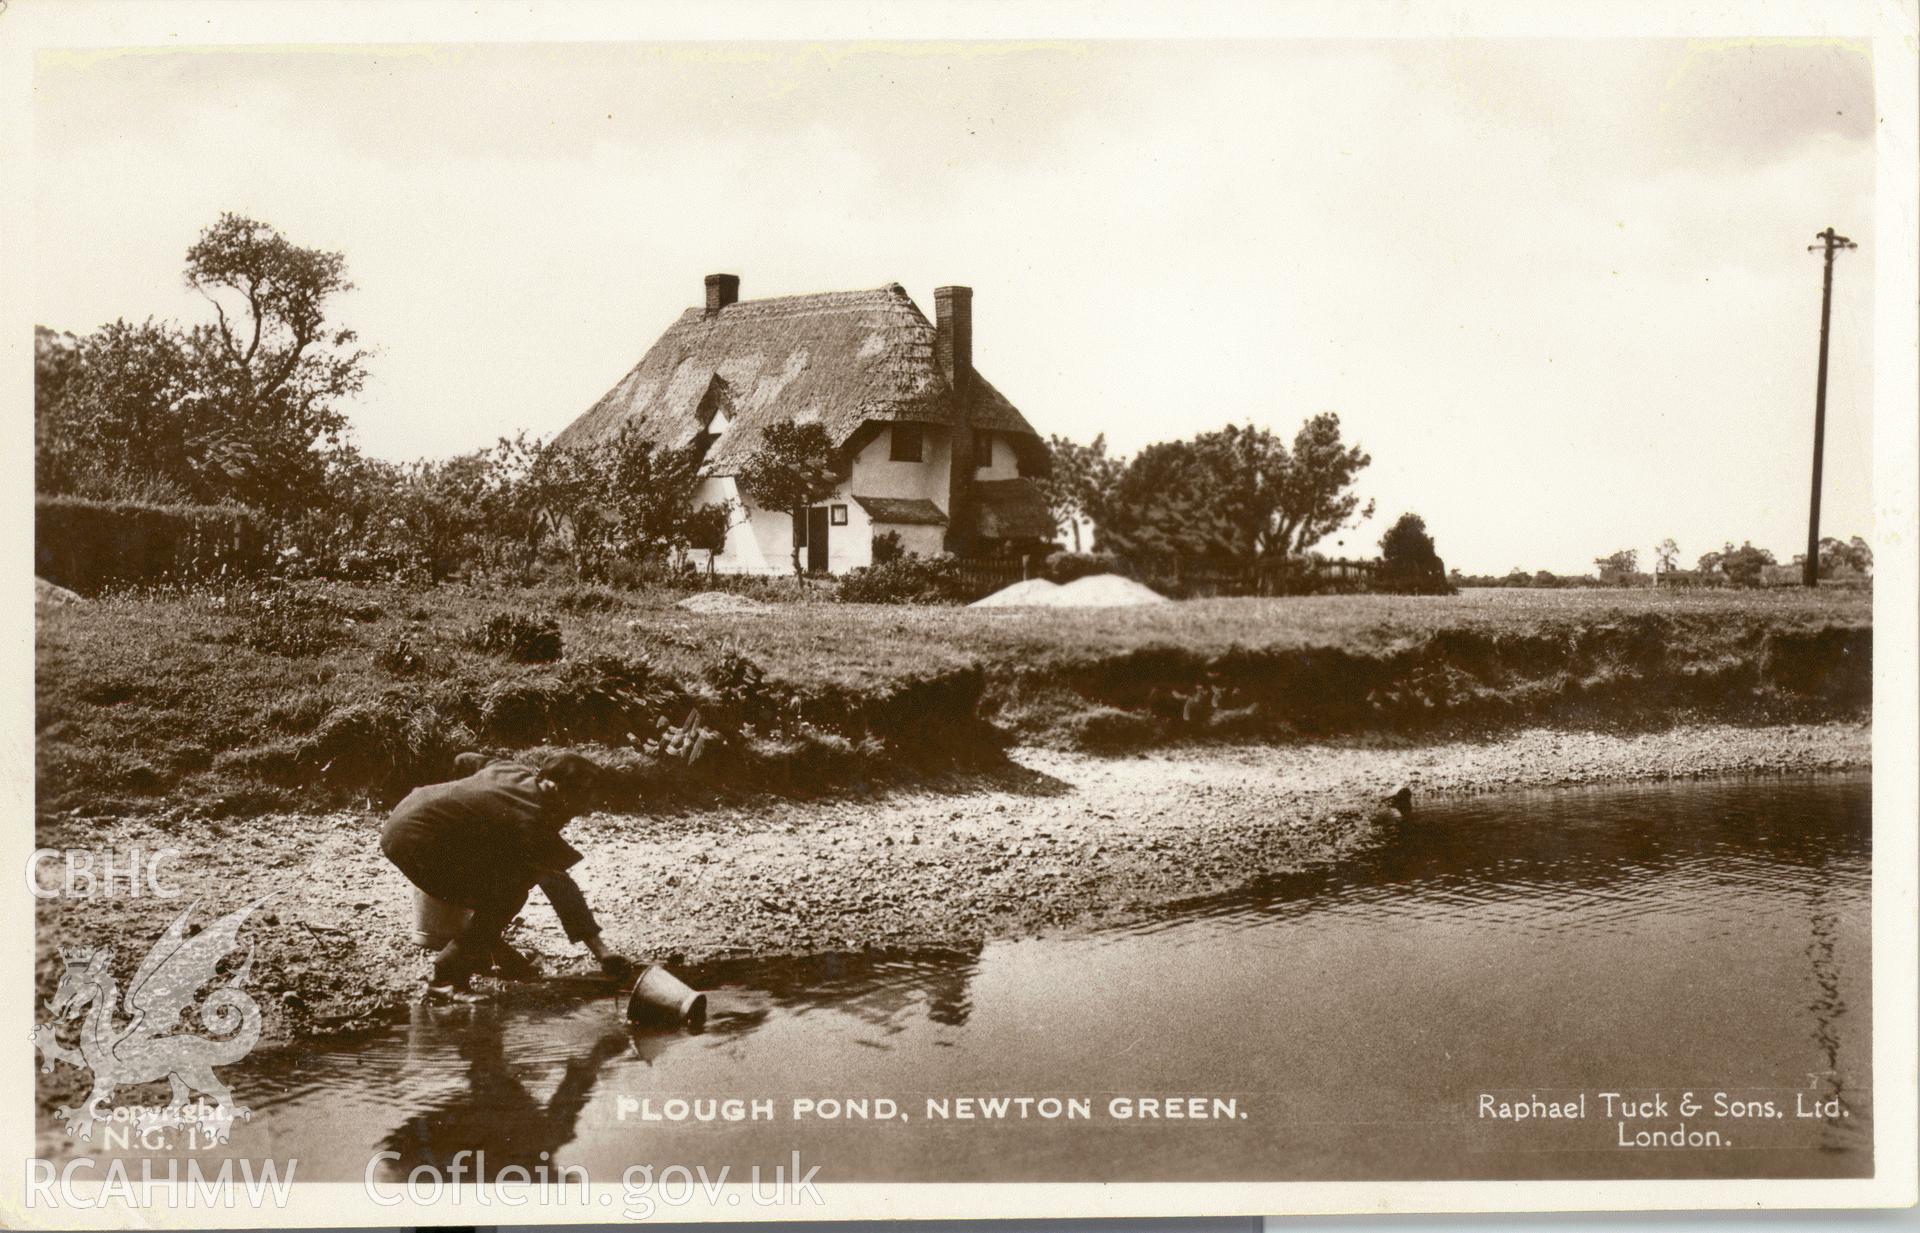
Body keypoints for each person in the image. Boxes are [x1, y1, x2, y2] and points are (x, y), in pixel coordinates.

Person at [380, 751, 630, 996]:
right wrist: (602, 952)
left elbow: (463, 759)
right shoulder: (531, 820)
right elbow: (561, 889)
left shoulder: (510, 770)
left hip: (405, 815)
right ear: (556, 788)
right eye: (580, 800)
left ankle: (485, 952)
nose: (581, 810)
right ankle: (446, 977)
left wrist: (452, 803)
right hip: (415, 844)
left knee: (501, 871)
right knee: (509, 895)